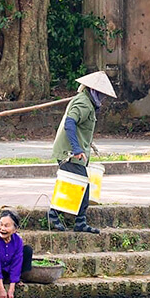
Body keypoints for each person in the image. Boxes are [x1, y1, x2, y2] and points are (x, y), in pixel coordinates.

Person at [47, 71, 115, 234]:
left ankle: (78, 221)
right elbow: (70, 123)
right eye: (101, 94)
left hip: (74, 152)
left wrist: (88, 144)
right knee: (79, 185)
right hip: (70, 153)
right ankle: (54, 215)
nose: (103, 98)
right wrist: (77, 149)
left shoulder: (85, 101)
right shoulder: (84, 103)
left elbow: (80, 127)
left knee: (78, 185)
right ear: (94, 91)